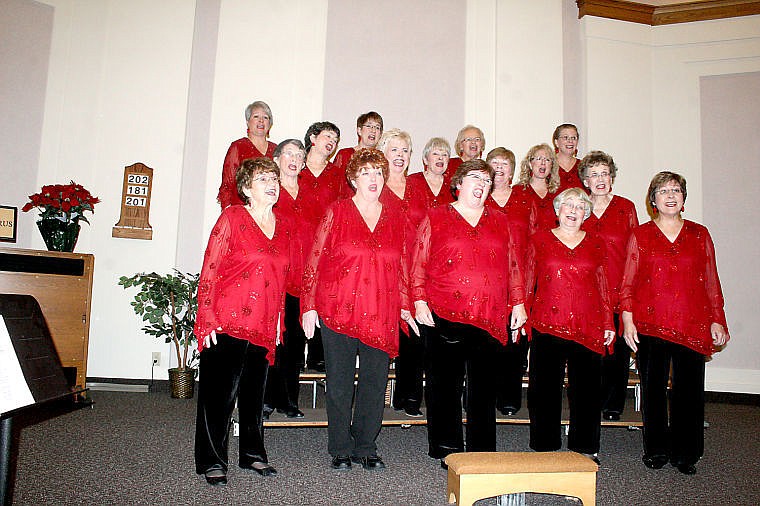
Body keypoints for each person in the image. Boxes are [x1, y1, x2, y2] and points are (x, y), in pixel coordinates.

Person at [301, 148, 417, 471]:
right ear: (353, 178)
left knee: (374, 382)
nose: (374, 179)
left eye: (379, 173)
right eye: (366, 173)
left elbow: (403, 265)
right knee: (338, 383)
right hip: (338, 308)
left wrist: (406, 306)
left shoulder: (396, 217)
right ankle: (340, 445)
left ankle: (366, 445)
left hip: (381, 310)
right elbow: (315, 259)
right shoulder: (336, 212)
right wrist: (309, 305)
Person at [412, 159, 527, 468]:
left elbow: (513, 264)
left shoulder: (501, 220)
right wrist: (419, 299)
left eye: (487, 181)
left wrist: (518, 302)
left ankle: (481, 451)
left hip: (489, 315)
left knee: (484, 389)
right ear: (459, 183)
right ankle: (447, 448)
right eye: (475, 178)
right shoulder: (436, 217)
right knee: (443, 386)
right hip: (444, 311)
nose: (481, 184)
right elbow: (418, 261)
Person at [620, 171, 729, 475]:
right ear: (652, 200)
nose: (670, 195)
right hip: (650, 322)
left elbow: (710, 280)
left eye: (676, 190)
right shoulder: (640, 235)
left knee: (689, 392)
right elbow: (627, 282)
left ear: (683, 198)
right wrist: (628, 320)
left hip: (692, 323)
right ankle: (656, 450)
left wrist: (717, 319)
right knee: (653, 390)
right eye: (663, 191)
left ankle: (687, 454)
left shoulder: (699, 234)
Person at [195, 157, 291, 485]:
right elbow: (210, 269)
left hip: (264, 324)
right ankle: (212, 459)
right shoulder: (233, 217)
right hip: (227, 319)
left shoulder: (282, 226)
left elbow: (280, 279)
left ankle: (252, 454)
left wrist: (278, 321)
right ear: (247, 188)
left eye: (274, 179)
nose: (272, 184)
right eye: (263, 179)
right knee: (218, 396)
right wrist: (206, 319)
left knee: (254, 395)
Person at [525, 187, 615, 464]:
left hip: (587, 324)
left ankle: (585, 447)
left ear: (586, 213)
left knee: (587, 390)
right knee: (544, 389)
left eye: (580, 207)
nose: (573, 211)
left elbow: (603, 284)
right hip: (547, 323)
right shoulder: (539, 239)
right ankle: (544, 444)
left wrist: (607, 320)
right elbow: (528, 279)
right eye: (568, 205)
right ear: (557, 210)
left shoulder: (597, 243)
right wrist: (521, 314)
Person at [579, 151, 639, 421]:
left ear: (611, 177)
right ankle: (590, 401)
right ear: (585, 181)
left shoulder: (626, 207)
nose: (600, 179)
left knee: (617, 352)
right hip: (586, 291)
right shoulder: (578, 207)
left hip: (618, 288)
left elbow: (635, 251)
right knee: (590, 350)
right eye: (594, 174)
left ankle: (614, 402)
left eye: (604, 173)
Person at [376, 129, 426, 417]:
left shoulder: (417, 187)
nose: (400, 155)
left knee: (414, 336)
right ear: (384, 153)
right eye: (394, 149)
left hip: (413, 270)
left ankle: (408, 398)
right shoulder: (375, 186)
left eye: (405, 150)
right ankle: (376, 400)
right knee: (382, 333)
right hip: (383, 270)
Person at [263, 140, 309, 419]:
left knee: (294, 342)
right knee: (271, 341)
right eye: (289, 154)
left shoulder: (311, 195)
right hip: (273, 279)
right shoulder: (269, 191)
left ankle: (289, 400)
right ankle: (266, 400)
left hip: (301, 280)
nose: (294, 159)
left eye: (299, 155)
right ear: (277, 158)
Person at [300, 121, 349, 372]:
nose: (331, 142)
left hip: (326, 248)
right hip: (297, 245)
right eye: (328, 136)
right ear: (312, 138)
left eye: (335, 139)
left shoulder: (336, 174)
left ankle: (318, 357)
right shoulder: (297, 168)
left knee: (322, 298)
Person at [483, 147, 529, 417]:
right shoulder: (478, 197)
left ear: (512, 170)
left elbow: (535, 240)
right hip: (487, 281)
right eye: (494, 163)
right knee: (485, 342)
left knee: (515, 341)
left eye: (504, 163)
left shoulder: (524, 200)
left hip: (518, 279)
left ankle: (509, 397)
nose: (499, 168)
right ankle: (482, 396)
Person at [217, 101, 277, 209]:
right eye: (256, 116)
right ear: (248, 122)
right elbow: (227, 185)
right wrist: (228, 212)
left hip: (268, 212)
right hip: (242, 210)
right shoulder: (238, 146)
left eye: (266, 117)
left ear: (270, 124)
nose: (261, 121)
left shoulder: (276, 150)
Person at [511, 143, 561, 233]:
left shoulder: (559, 194)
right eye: (538, 159)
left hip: (552, 244)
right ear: (530, 164)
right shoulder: (517, 191)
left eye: (547, 160)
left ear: (552, 166)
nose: (543, 163)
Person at [406, 137, 455, 210]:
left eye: (445, 155)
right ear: (425, 160)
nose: (440, 158)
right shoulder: (412, 181)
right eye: (435, 154)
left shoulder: (453, 186)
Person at [552, 123, 583, 192]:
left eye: (573, 138)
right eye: (565, 138)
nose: (570, 141)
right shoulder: (548, 166)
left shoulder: (584, 166)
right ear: (556, 142)